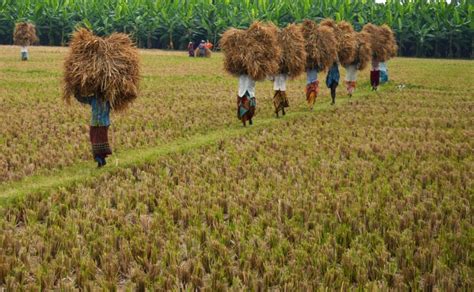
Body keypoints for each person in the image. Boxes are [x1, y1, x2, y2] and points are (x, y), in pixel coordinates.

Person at [75, 93, 112, 167]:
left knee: (101, 141)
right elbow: (83, 99)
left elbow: (118, 100)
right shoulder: (93, 99)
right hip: (94, 123)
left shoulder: (109, 100)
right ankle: (101, 160)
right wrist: (76, 93)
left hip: (103, 124)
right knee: (94, 140)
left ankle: (100, 159)